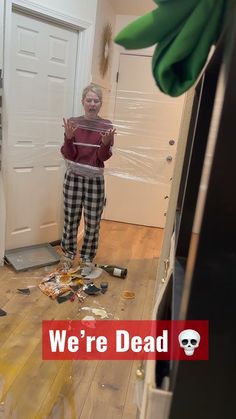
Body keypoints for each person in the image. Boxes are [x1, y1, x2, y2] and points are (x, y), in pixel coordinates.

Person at [60, 83, 116, 276]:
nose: (92, 104)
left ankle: (86, 258)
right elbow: (68, 154)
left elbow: (103, 158)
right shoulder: (73, 123)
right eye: (89, 100)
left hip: (95, 181)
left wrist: (106, 143)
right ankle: (68, 255)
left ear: (101, 104)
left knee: (93, 222)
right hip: (73, 178)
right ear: (83, 102)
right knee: (70, 219)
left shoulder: (106, 126)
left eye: (96, 100)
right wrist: (68, 138)